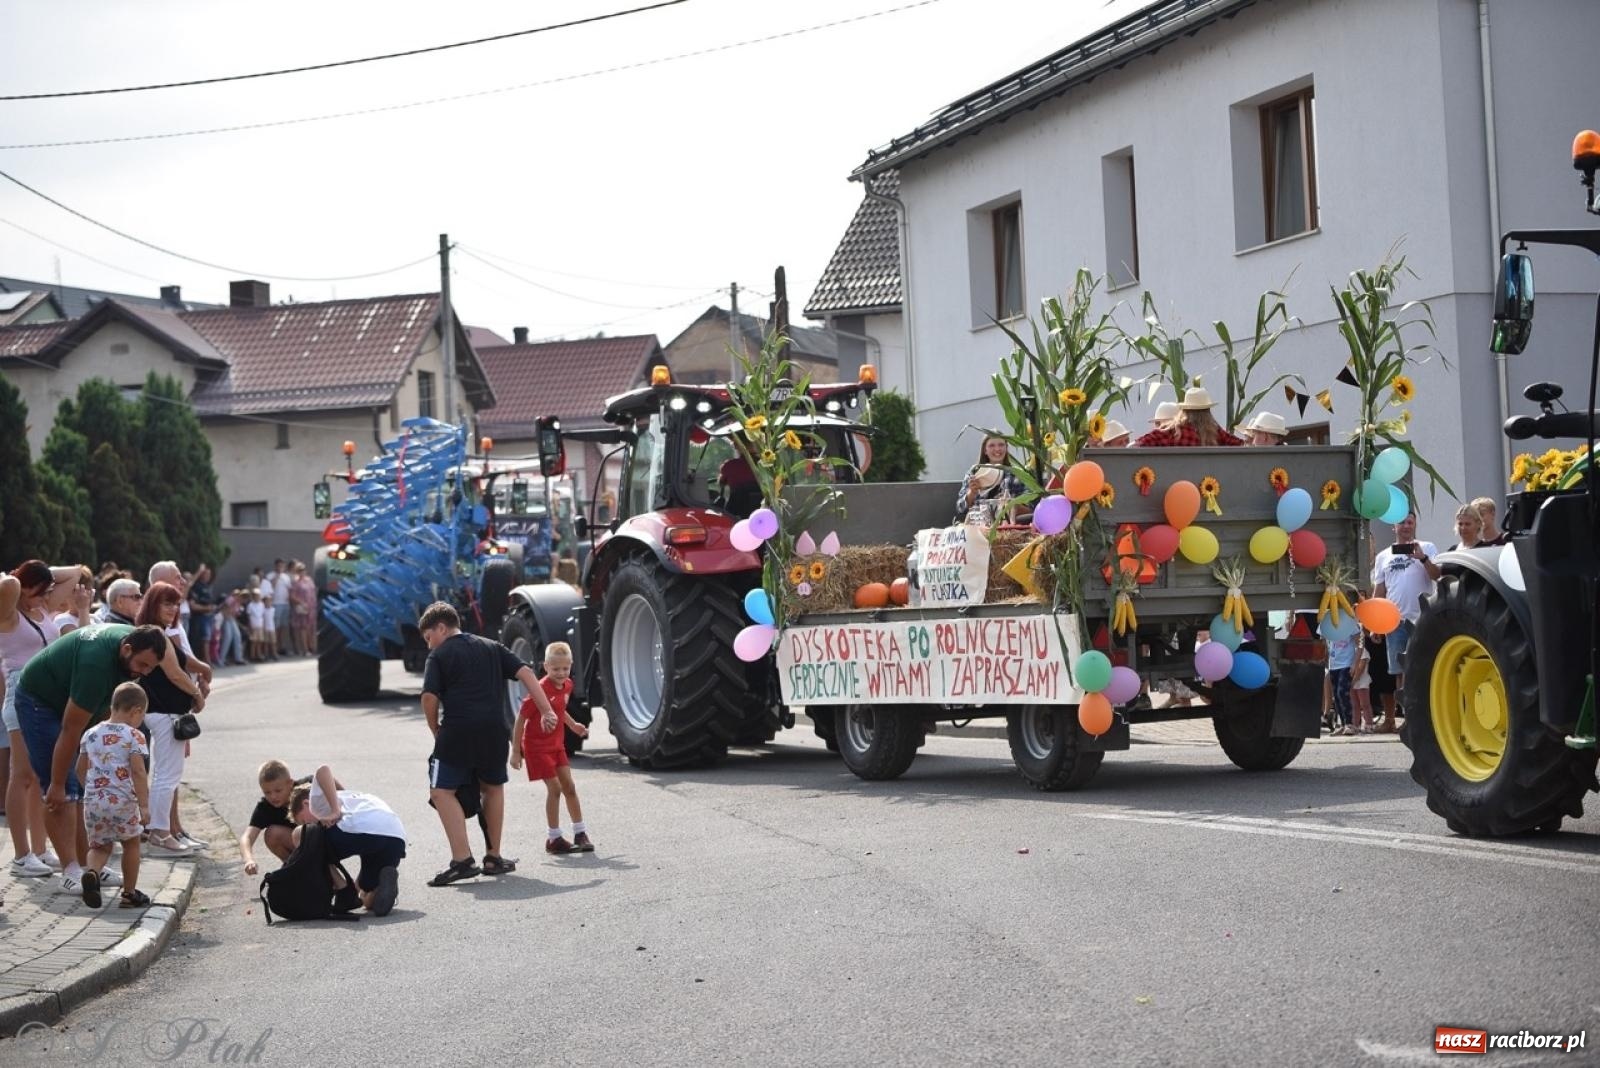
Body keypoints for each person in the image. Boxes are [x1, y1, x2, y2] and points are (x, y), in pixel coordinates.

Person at [14, 623, 168, 892]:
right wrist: (57, 783)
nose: (143, 673)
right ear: (127, 649)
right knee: (63, 792)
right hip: (39, 701)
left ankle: (90, 866)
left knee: (80, 791)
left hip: (70, 694)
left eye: (150, 669)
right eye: (142, 665)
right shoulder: (96, 666)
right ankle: (70, 870)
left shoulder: (131, 652)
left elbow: (101, 713)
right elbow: (71, 729)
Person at [417, 601, 555, 885]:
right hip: (494, 731)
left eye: (429, 637)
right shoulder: (492, 647)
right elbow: (527, 674)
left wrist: (435, 729)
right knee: (492, 788)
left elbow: (429, 697)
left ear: (441, 628)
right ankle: (493, 858)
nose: (429, 645)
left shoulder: (439, 655)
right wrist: (547, 711)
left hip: (457, 732)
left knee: (442, 791)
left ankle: (462, 860)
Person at [135, 582, 212, 856]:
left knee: (166, 774)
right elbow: (175, 673)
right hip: (164, 711)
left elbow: (183, 665)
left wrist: (203, 672)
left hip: (164, 711)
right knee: (167, 775)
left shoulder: (157, 632)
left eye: (176, 604)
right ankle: (160, 833)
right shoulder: (155, 634)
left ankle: (162, 831)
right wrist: (197, 695)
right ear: (153, 604)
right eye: (167, 603)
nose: (173, 609)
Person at [2, 562, 62, 879]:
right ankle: (21, 855)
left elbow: (74, 574)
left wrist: (43, 578)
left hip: (44, 696)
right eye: (39, 591)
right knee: (22, 775)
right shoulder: (9, 613)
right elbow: (10, 585)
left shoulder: (41, 610)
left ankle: (39, 849)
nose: (44, 598)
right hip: (19, 693)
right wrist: (17, 579)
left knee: (39, 777)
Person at [510, 642, 593, 854]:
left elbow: (559, 709)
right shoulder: (538, 691)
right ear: (546, 666)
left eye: (565, 668)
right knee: (555, 789)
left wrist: (573, 725)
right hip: (537, 748)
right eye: (556, 669)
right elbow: (520, 720)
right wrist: (516, 751)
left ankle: (580, 833)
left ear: (571, 665)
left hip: (557, 746)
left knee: (569, 787)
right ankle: (553, 838)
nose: (561, 673)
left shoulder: (567, 685)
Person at [288, 765, 403, 916]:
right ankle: (380, 885)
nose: (308, 825)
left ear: (306, 804)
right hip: (394, 837)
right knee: (367, 898)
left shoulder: (316, 802)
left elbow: (323, 770)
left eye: (304, 821)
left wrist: (335, 811)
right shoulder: (350, 797)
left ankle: (343, 889)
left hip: (365, 832)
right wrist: (357, 889)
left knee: (300, 835)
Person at [75, 682, 151, 909]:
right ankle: (129, 894)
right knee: (131, 843)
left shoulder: (90, 734)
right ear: (136, 711)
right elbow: (138, 772)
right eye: (142, 715)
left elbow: (79, 769)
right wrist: (144, 806)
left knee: (100, 846)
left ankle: (92, 873)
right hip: (122, 802)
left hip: (94, 801)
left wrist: (92, 790)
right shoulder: (134, 735)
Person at [1371, 510, 1440, 719]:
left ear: (1415, 525)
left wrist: (1423, 558)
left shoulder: (1427, 547)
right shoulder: (1383, 556)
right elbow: (1379, 591)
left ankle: (1424, 714)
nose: (1406, 526)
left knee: (1423, 666)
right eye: (1402, 523)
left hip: (1422, 619)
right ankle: (1407, 715)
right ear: (1394, 527)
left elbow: (1437, 575)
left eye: (1410, 522)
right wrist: (1375, 624)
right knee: (1398, 670)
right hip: (1394, 621)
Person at [1136, 383, 1246, 447]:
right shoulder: (1215, 432)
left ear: (1185, 410)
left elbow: (1141, 443)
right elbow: (1241, 445)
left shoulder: (1173, 430)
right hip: (1209, 479)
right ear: (1207, 412)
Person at [957, 436, 1024, 523]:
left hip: (1008, 526)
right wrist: (971, 493)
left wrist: (1011, 506)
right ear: (985, 450)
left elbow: (1031, 507)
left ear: (1006, 448)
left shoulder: (1017, 474)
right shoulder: (973, 473)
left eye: (1001, 445)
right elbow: (960, 508)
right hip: (978, 526)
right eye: (991, 445)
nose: (997, 449)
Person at [1326, 625, 1366, 736]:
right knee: (1336, 696)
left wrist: (1355, 664)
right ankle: (1342, 724)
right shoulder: (1327, 622)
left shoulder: (1350, 624)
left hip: (1346, 664)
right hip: (1333, 665)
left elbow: (1360, 644)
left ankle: (1350, 724)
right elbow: (1323, 641)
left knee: (1342, 692)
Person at [270, 560, 294, 657]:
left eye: (282, 566)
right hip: (275, 604)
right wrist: (277, 576)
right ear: (275, 566)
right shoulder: (270, 576)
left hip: (285, 604)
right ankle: (274, 649)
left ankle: (281, 647)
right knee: (276, 626)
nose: (280, 568)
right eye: (279, 566)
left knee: (283, 627)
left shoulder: (286, 577)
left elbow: (289, 589)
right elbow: (271, 587)